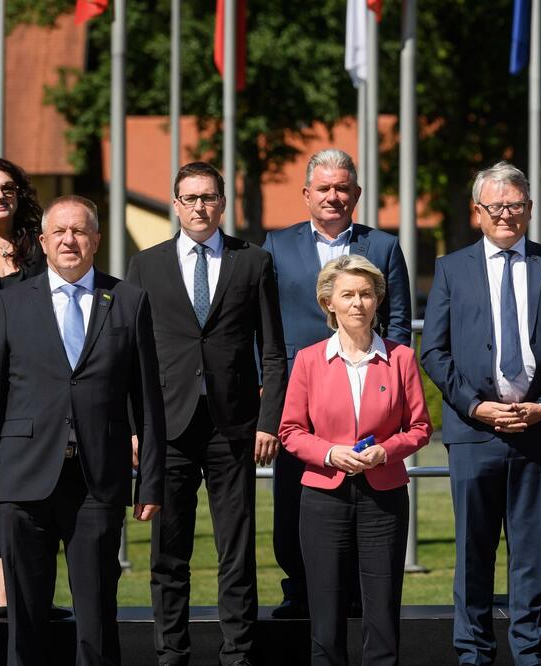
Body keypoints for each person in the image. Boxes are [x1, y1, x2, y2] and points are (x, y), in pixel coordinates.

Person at [420, 161, 541, 665]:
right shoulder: (452, 268)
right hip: (474, 433)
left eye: (515, 205)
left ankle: (530, 652)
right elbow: (434, 352)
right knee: (473, 551)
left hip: (536, 432)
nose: (506, 215)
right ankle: (473, 652)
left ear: (530, 209)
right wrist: (475, 406)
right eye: (496, 206)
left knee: (531, 552)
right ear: (478, 212)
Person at [126, 162, 287, 666]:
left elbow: (274, 351)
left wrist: (268, 421)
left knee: (236, 550)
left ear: (222, 203)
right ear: (175, 204)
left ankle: (237, 653)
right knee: (168, 552)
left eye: (208, 197)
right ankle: (171, 654)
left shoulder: (253, 261)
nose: (200, 206)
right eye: (190, 198)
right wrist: (136, 427)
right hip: (167, 427)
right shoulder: (146, 265)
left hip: (233, 426)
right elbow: (131, 356)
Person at [0, 195, 165, 666]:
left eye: (80, 231)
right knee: (25, 615)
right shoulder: (8, 303)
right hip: (22, 479)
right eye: (60, 232)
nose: (70, 240)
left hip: (98, 480)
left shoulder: (129, 301)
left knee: (97, 613)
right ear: (43, 241)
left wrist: (151, 481)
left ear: (96, 239)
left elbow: (147, 400)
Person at [263, 148, 412, 618]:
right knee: (295, 493)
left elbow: (399, 320)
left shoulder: (383, 246)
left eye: (342, 188)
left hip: (367, 387)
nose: (333, 196)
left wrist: (392, 380)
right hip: (298, 390)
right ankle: (300, 589)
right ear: (306, 194)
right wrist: (267, 382)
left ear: (357, 194)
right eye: (324, 188)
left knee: (366, 492)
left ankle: (355, 593)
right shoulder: (276, 245)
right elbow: (262, 322)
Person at [279, 254, 431, 665]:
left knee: (382, 609)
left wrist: (387, 451)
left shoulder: (401, 358)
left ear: (378, 300)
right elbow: (291, 431)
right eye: (347, 295)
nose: (357, 303)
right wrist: (329, 452)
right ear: (328, 302)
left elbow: (420, 427)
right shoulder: (309, 359)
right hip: (323, 498)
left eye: (366, 294)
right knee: (325, 612)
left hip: (385, 497)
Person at [0, 158, 51, 619]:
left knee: (31, 490)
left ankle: (29, 598)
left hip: (30, 385)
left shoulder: (38, 247)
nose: (0, 195)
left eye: (8, 187)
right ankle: (0, 596)